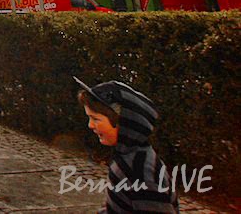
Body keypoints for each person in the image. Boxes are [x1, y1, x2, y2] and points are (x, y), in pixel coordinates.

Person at [75, 77, 179, 213]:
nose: (90, 125)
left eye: (96, 119)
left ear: (124, 122)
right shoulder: (128, 157)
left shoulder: (140, 172)